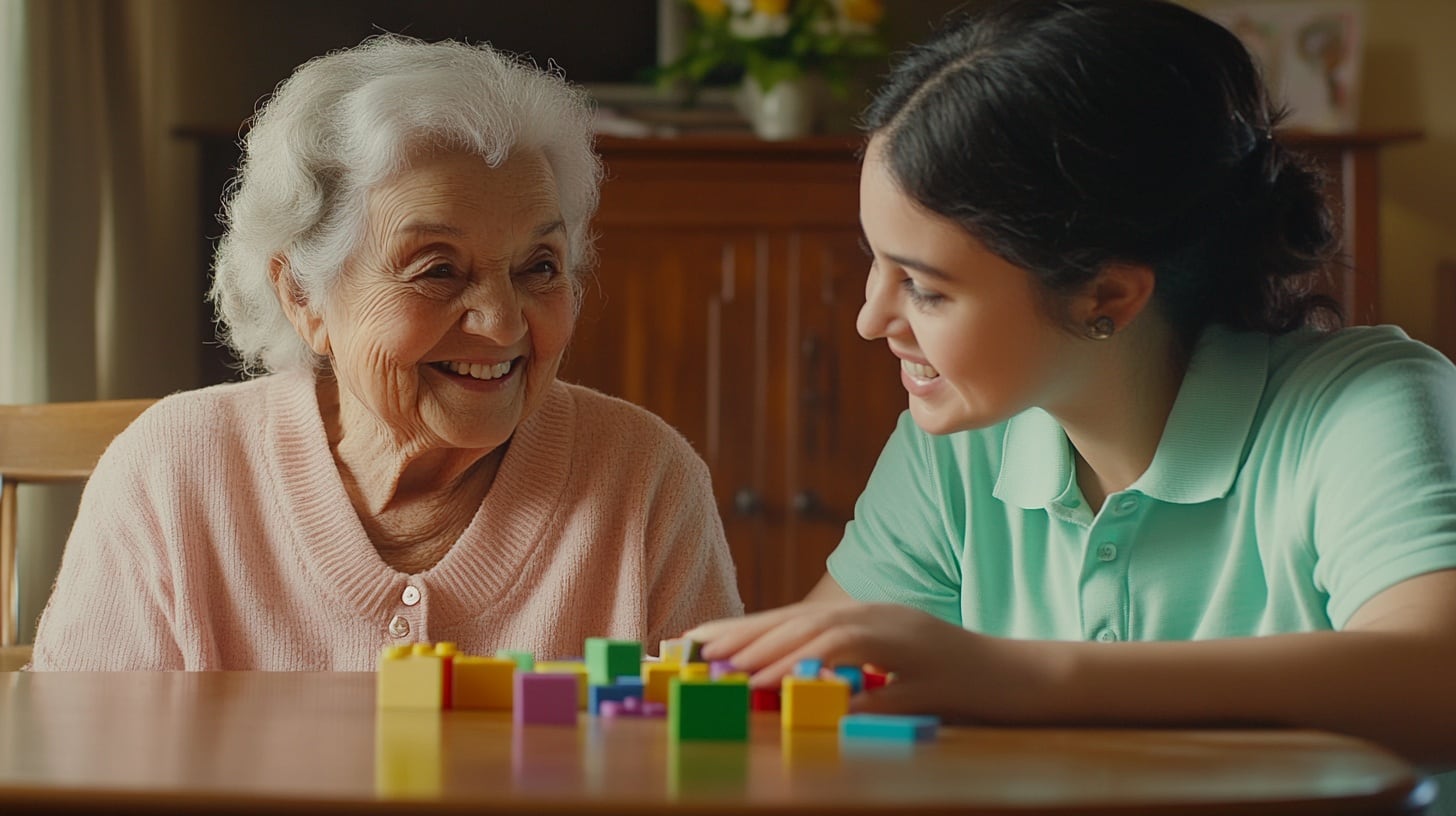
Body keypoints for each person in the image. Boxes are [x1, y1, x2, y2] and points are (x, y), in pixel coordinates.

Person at [685, 0, 1456, 798]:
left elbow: (1440, 681)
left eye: (923, 287)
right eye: (876, 265)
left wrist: (1020, 677)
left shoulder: (1365, 405)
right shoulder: (958, 444)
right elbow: (815, 702)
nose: (871, 318)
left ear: (1108, 296)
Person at [30, 35, 742, 670]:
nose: (500, 323)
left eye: (540, 267)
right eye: (437, 269)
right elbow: (83, 762)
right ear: (303, 297)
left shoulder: (645, 479)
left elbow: (715, 770)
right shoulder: (171, 473)